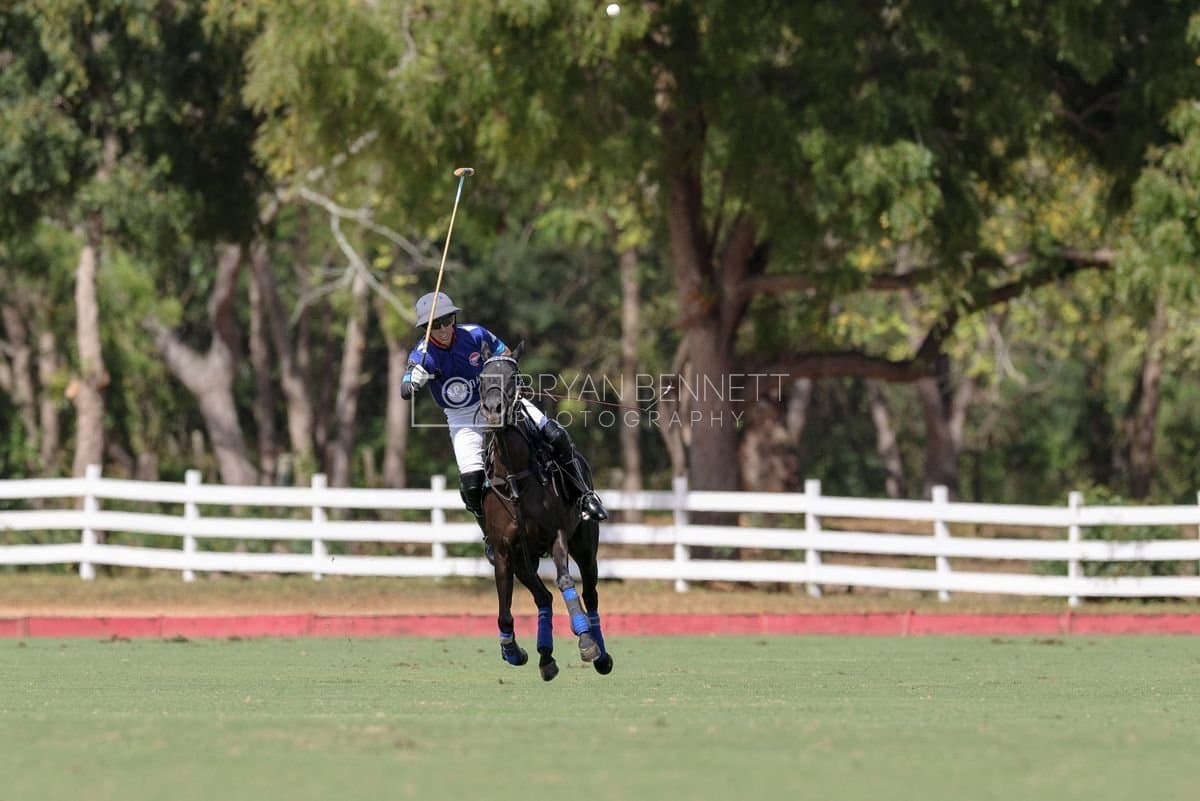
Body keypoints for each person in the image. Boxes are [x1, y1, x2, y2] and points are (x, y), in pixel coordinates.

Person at [399, 291, 608, 562]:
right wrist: (414, 379)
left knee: (556, 435)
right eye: (434, 325)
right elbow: (405, 389)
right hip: (462, 416)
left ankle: (585, 497)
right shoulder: (423, 353)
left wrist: (507, 381)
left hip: (500, 400)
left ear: (454, 318)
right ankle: (489, 533)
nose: (442, 329)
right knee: (471, 484)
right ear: (426, 329)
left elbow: (506, 354)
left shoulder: (475, 335)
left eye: (446, 320)